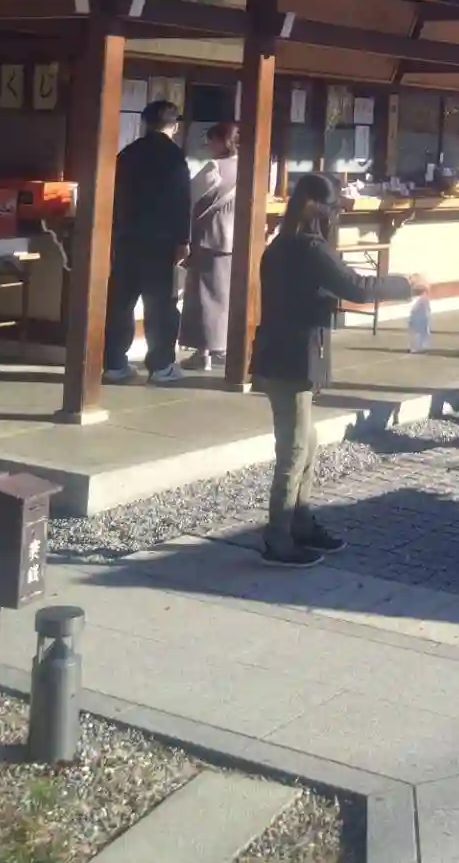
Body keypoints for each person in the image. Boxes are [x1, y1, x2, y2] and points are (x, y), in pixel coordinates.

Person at [252, 172, 418, 566]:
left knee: (305, 443)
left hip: (283, 355)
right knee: (294, 450)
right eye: (333, 209)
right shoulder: (309, 249)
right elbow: (357, 286)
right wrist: (407, 284)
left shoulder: (280, 246)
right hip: (291, 358)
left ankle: (300, 521)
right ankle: (278, 536)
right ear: (316, 208)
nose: (335, 217)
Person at [103, 98, 194, 386]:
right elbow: (182, 201)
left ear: (144, 123)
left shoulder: (128, 154)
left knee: (121, 301)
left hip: (127, 237)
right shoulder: (174, 157)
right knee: (160, 304)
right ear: (175, 126)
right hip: (161, 240)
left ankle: (114, 362)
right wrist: (183, 239)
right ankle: (161, 365)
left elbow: (112, 195)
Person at [180, 120, 239, 370]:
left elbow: (190, 197)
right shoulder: (250, 167)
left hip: (209, 238)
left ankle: (204, 350)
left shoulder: (214, 168)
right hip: (236, 240)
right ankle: (223, 348)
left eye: (212, 140)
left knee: (203, 298)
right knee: (226, 297)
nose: (209, 145)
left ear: (222, 142)